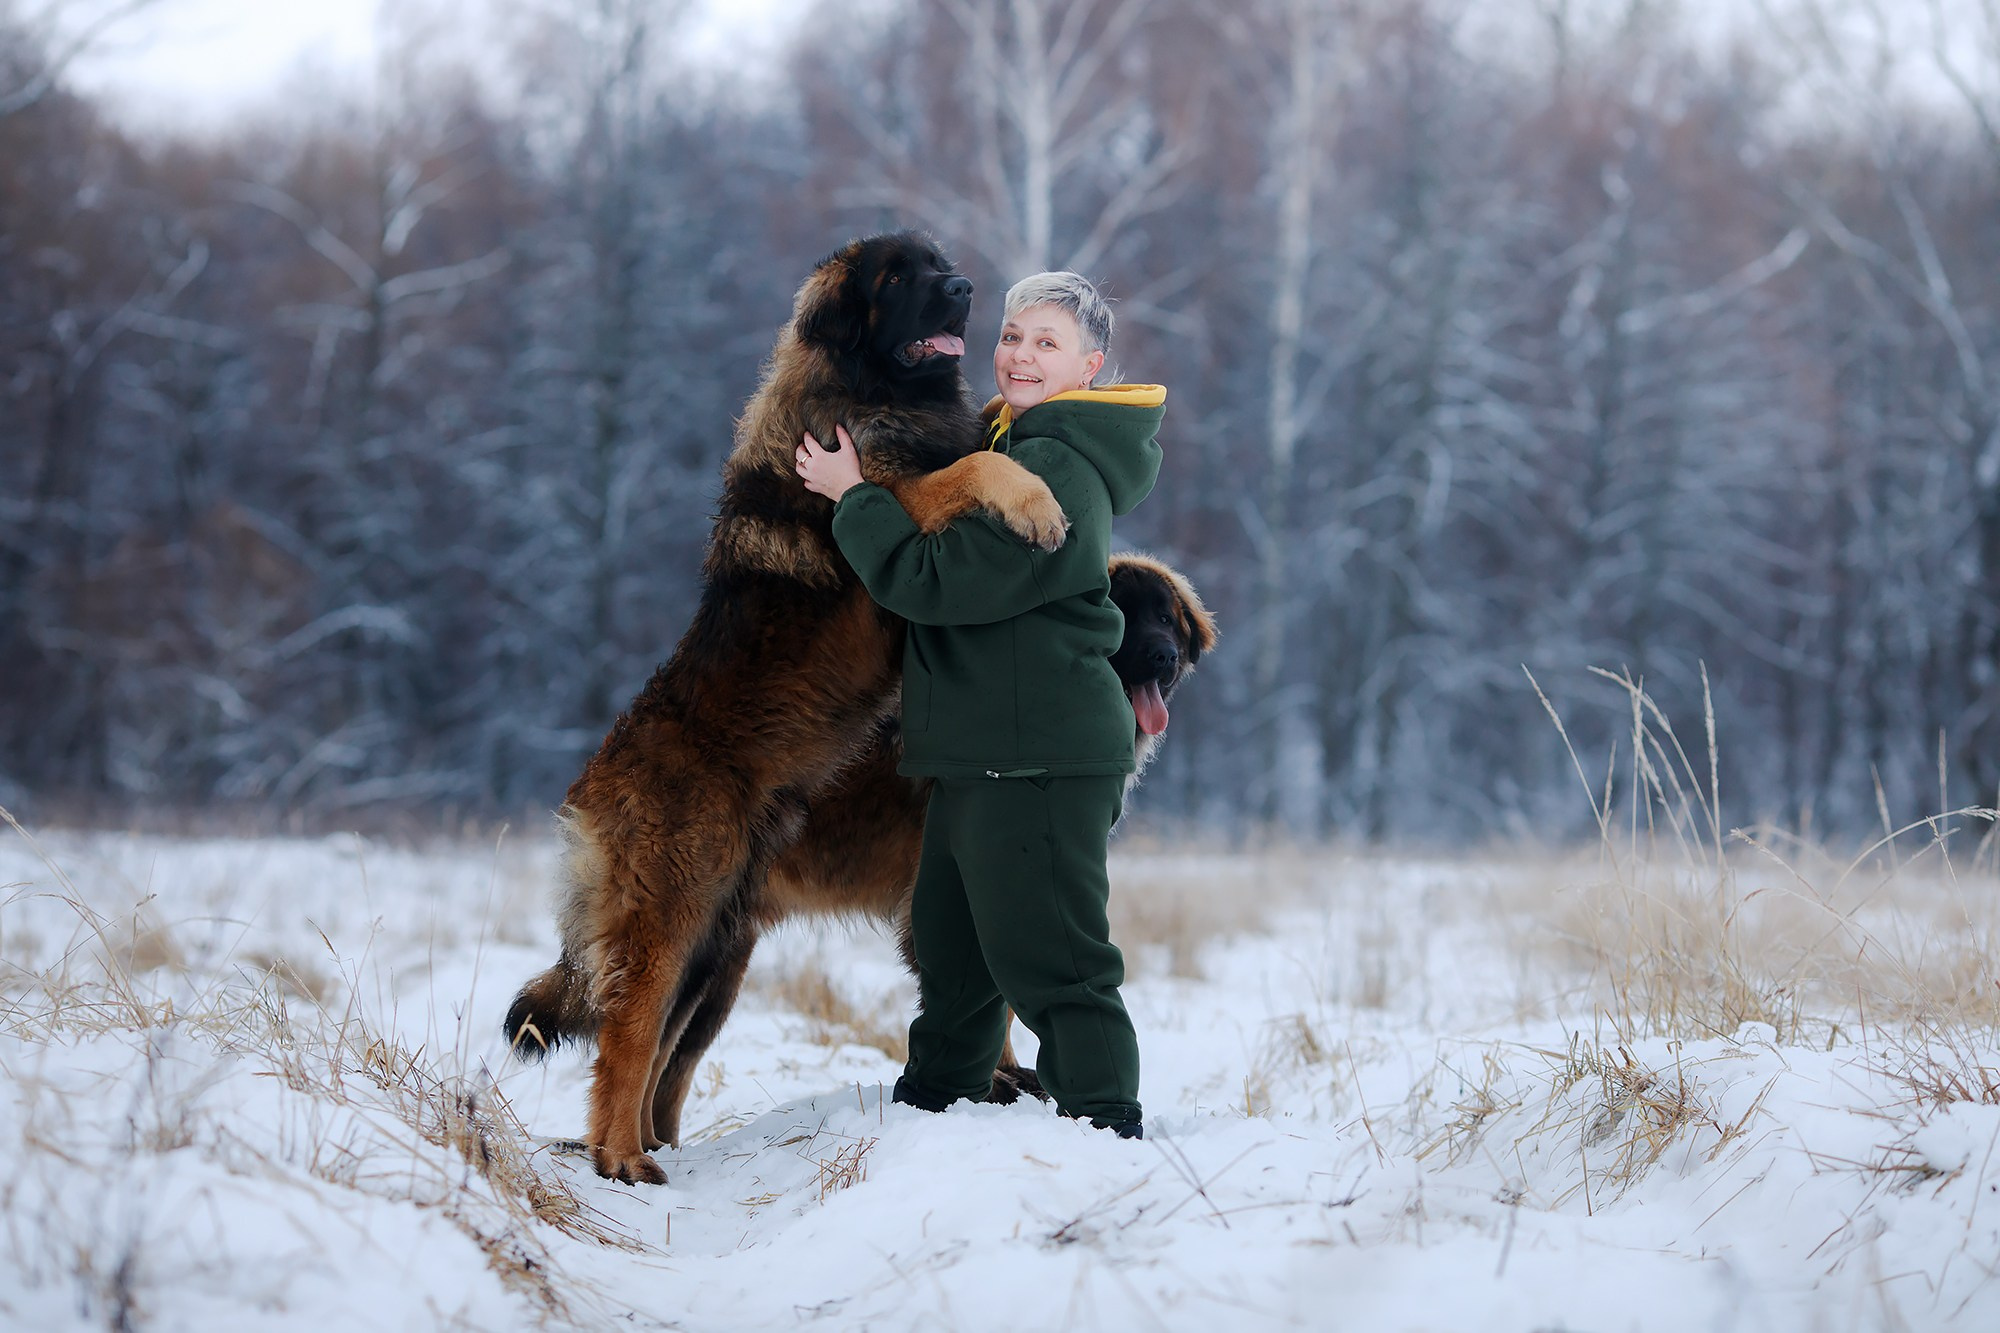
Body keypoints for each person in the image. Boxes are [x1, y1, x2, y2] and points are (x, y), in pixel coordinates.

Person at [795, 271, 1164, 1139]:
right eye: (1012, 336)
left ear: (1091, 365)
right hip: (977, 751)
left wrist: (855, 498)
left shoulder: (1057, 467)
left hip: (1038, 752)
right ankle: (935, 1114)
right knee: (955, 960)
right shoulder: (1008, 447)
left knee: (1056, 961)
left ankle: (1105, 1128)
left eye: (1047, 343)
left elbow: (939, 583)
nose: (1021, 355)